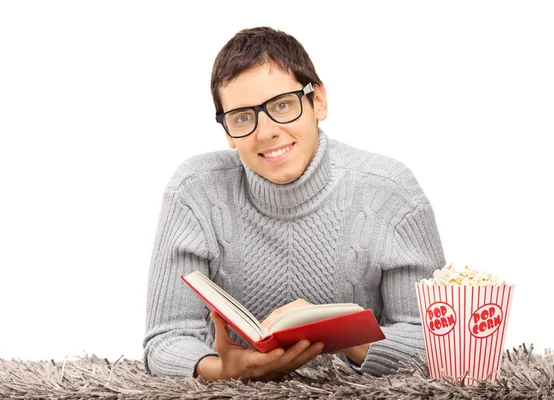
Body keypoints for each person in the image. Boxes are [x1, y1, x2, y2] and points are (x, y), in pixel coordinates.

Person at [143, 26, 446, 381]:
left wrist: (337, 332)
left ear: (318, 101)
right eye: (242, 117)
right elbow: (165, 338)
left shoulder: (391, 190)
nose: (266, 131)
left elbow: (435, 340)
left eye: (282, 105)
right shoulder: (194, 190)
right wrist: (222, 370)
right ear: (227, 132)